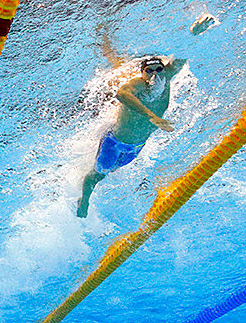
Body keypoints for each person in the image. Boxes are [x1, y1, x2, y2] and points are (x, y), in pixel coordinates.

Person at [77, 53, 187, 218]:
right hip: (114, 143)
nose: (155, 74)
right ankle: (84, 200)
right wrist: (151, 115)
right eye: (149, 71)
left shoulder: (165, 79)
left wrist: (200, 29)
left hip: (136, 147)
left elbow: (183, 54)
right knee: (98, 174)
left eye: (159, 69)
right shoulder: (140, 85)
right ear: (143, 74)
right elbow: (122, 94)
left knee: (110, 171)